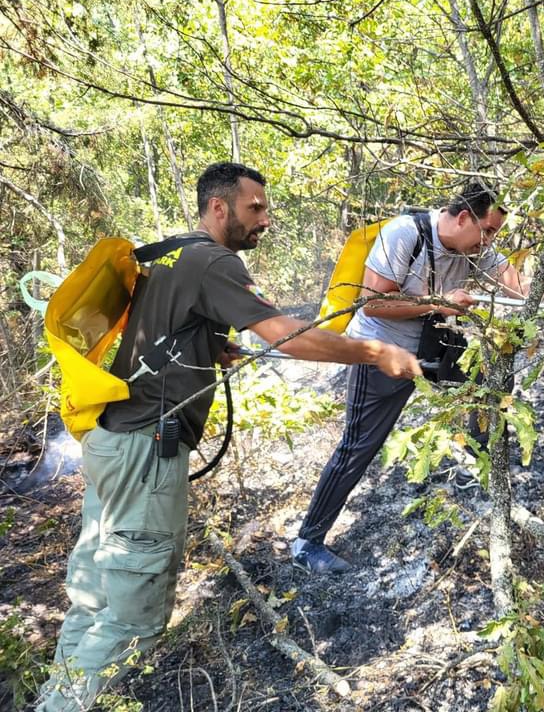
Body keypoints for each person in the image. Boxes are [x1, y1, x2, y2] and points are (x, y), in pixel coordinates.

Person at [37, 162, 421, 711]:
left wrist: (207, 349)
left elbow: (157, 330)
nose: (265, 219)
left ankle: (55, 696)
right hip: (147, 448)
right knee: (131, 618)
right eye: (255, 207)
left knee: (95, 595)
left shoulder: (165, 253)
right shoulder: (215, 261)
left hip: (111, 439)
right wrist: (375, 351)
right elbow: (289, 337)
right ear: (220, 208)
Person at [292, 182, 544, 574]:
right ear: (465, 217)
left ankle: (479, 463)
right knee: (360, 445)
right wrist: (441, 303)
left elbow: (515, 284)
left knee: (491, 380)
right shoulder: (404, 234)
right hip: (380, 352)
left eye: (495, 233)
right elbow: (373, 301)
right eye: (488, 230)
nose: (489, 241)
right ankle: (307, 542)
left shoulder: (473, 247)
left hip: (432, 346)